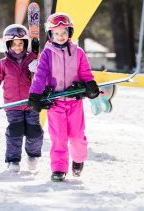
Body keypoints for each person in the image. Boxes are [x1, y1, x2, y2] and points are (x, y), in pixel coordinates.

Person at [28, 12, 100, 182]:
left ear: (70, 33)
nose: (60, 37)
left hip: (74, 102)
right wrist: (35, 95)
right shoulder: (47, 54)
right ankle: (59, 168)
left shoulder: (78, 52)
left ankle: (78, 159)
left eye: (64, 33)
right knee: (58, 138)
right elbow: (40, 75)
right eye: (56, 33)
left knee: (77, 136)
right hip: (55, 103)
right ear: (50, 35)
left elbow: (85, 72)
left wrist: (90, 85)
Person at [0, 24, 42, 173]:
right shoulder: (3, 64)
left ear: (25, 43)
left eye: (21, 44)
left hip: (32, 103)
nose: (17, 47)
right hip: (13, 105)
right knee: (15, 132)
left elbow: (44, 78)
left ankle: (32, 156)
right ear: (8, 44)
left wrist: (37, 69)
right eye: (14, 44)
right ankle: (13, 160)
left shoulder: (34, 59)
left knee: (34, 132)